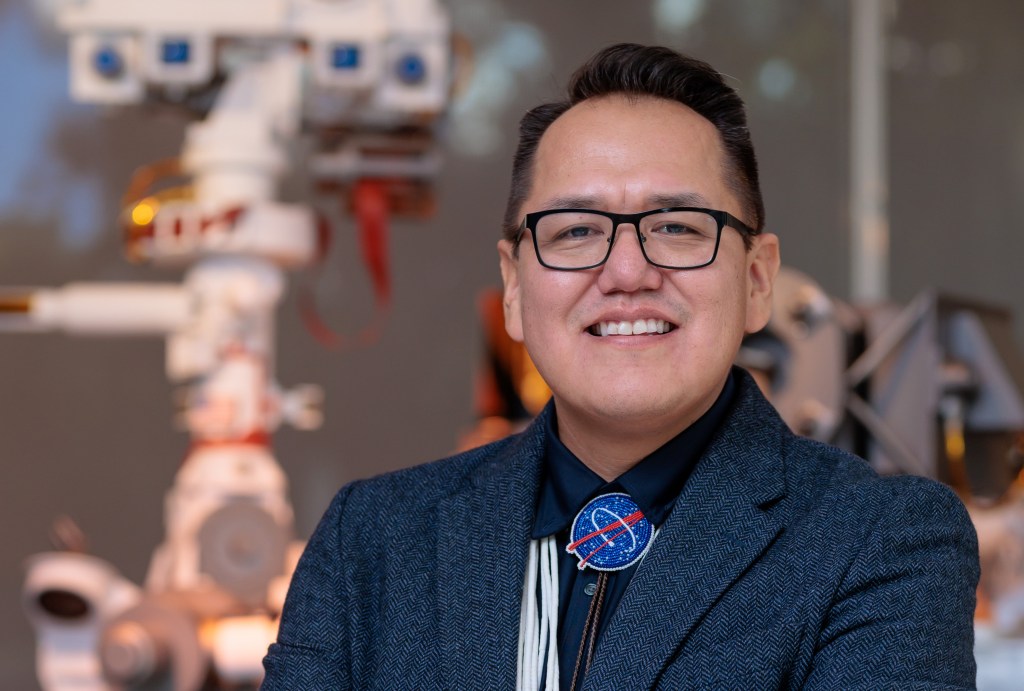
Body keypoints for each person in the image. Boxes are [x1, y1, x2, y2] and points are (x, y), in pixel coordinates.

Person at [261, 43, 979, 690]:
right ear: (514, 286)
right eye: (576, 230)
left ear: (759, 279)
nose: (627, 270)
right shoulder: (374, 540)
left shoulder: (880, 540)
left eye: (676, 226)